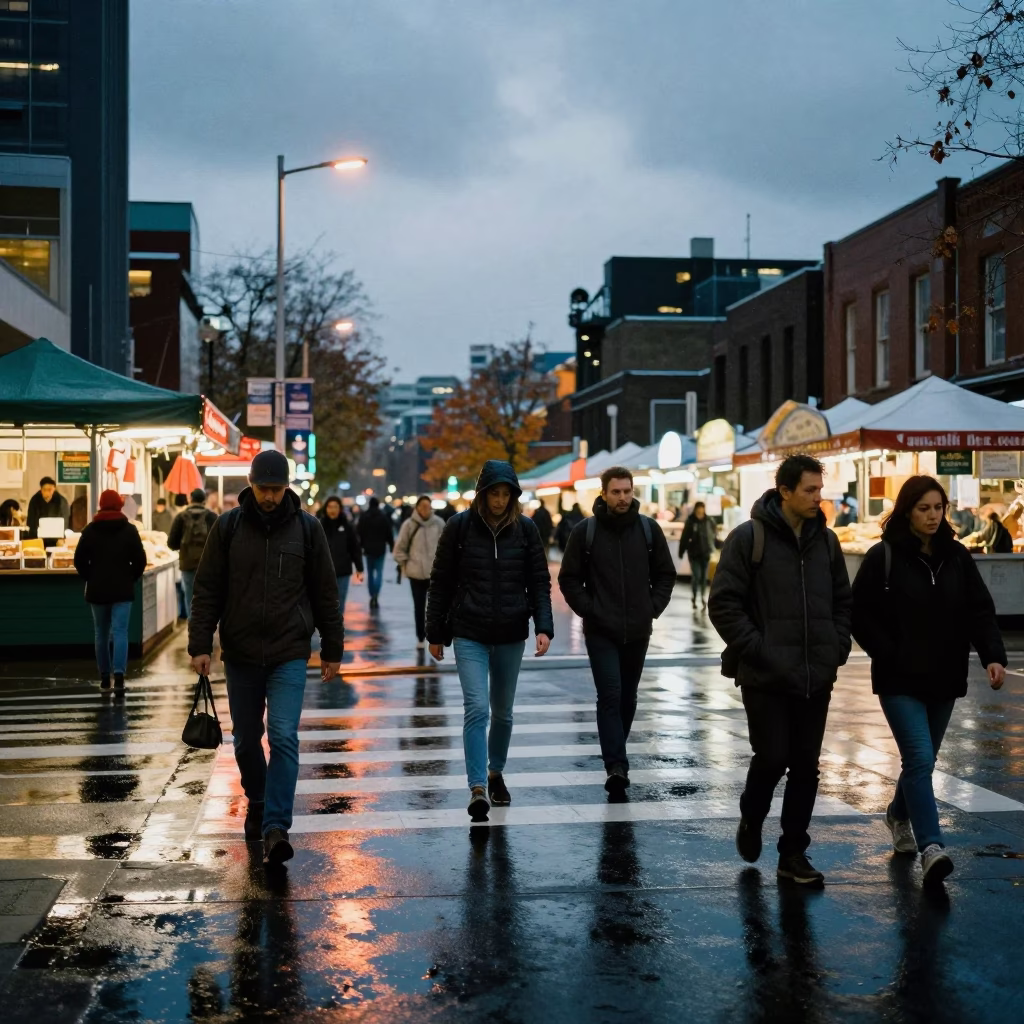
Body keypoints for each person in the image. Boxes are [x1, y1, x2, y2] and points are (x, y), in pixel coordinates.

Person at [188, 450, 344, 866]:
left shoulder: (308, 530)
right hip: (239, 652)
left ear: (287, 487)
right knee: (244, 740)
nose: (270, 497)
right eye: (263, 489)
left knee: (283, 736)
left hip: (289, 651)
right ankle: (258, 798)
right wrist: (200, 644)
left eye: (276, 489)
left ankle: (276, 825)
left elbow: (326, 593)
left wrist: (332, 648)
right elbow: (207, 590)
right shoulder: (228, 527)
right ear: (251, 485)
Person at [851, 476, 1006, 885]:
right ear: (907, 510)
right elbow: (859, 613)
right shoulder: (882, 556)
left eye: (939, 507)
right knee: (919, 758)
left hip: (944, 675)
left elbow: (979, 610)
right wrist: (889, 652)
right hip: (899, 679)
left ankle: (898, 814)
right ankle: (932, 847)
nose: (934, 516)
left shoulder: (956, 556)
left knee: (925, 759)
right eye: (924, 508)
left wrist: (993, 656)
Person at [708, 454, 852, 888]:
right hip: (766, 674)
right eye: (809, 490)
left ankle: (793, 853)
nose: (817, 498)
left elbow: (843, 602)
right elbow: (724, 604)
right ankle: (752, 815)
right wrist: (760, 648)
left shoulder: (826, 542)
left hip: (814, 674)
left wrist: (836, 647)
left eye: (819, 490)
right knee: (772, 757)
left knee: (806, 766)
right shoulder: (748, 538)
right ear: (784, 491)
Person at [426, 461, 553, 821]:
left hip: (512, 632)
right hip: (469, 632)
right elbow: (441, 581)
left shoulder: (526, 530)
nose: (499, 501)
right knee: (477, 709)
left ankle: (496, 771)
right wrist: (434, 631)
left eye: (505, 494)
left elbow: (539, 581)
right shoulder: (460, 527)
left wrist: (543, 626)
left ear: (513, 496)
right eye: (493, 493)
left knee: (503, 713)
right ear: (482, 494)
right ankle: (477, 786)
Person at [558, 467, 676, 793]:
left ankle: (616, 754)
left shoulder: (648, 530)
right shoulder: (587, 531)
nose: (622, 497)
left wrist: (652, 608)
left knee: (628, 696)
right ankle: (616, 766)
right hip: (600, 630)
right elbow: (569, 578)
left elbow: (666, 574)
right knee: (609, 694)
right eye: (616, 492)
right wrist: (590, 609)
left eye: (627, 491)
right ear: (604, 493)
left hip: (639, 628)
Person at [73, 490, 147, 691]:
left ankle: (105, 677)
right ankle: (120, 675)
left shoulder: (90, 530)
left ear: (101, 504)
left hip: (97, 590)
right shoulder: (129, 530)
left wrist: (90, 576)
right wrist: (130, 577)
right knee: (120, 632)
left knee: (101, 633)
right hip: (122, 589)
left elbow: (79, 560)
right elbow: (140, 560)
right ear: (119, 505)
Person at [393, 494, 445, 649]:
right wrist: (407, 563)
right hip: (415, 574)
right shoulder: (409, 525)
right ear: (416, 508)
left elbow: (447, 546)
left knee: (436, 607)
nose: (425, 509)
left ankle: (435, 636)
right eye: (421, 506)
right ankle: (420, 636)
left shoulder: (439, 524)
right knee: (419, 606)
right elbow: (399, 549)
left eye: (427, 506)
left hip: (435, 573)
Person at [168, 488, 219, 621]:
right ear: (204, 500)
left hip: (188, 565)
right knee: (208, 600)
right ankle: (208, 633)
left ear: (190, 499)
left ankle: (193, 633)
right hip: (208, 566)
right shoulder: (212, 517)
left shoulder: (181, 517)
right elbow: (220, 543)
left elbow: (171, 543)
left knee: (191, 599)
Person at [318, 496, 364, 610]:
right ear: (325, 509)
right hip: (323, 572)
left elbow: (355, 548)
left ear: (340, 509)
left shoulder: (347, 526)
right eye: (330, 507)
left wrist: (359, 568)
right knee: (325, 603)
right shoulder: (319, 526)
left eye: (335, 507)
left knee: (340, 601)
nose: (332, 510)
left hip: (343, 571)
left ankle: (338, 626)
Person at [678, 500, 717, 608]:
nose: (700, 511)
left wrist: (716, 546)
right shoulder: (691, 521)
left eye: (702, 508)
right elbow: (685, 537)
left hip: (705, 553)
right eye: (699, 508)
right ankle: (694, 597)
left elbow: (714, 534)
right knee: (696, 576)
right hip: (694, 554)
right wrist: (681, 551)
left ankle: (703, 597)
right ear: (696, 509)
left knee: (704, 577)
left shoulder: (709, 520)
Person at [357, 496, 394, 608]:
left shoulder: (364, 516)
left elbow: (359, 531)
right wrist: (391, 545)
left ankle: (371, 594)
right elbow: (389, 532)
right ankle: (376, 594)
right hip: (380, 549)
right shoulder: (383, 517)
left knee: (370, 573)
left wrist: (361, 545)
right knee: (379, 572)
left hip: (368, 549)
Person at [26, 475, 69, 543]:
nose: (47, 492)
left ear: (54, 489)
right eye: (44, 490)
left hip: (57, 538)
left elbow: (65, 520)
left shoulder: (61, 501)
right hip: (38, 538)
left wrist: (62, 536)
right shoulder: (34, 500)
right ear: (41, 489)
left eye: (49, 490)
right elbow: (31, 521)